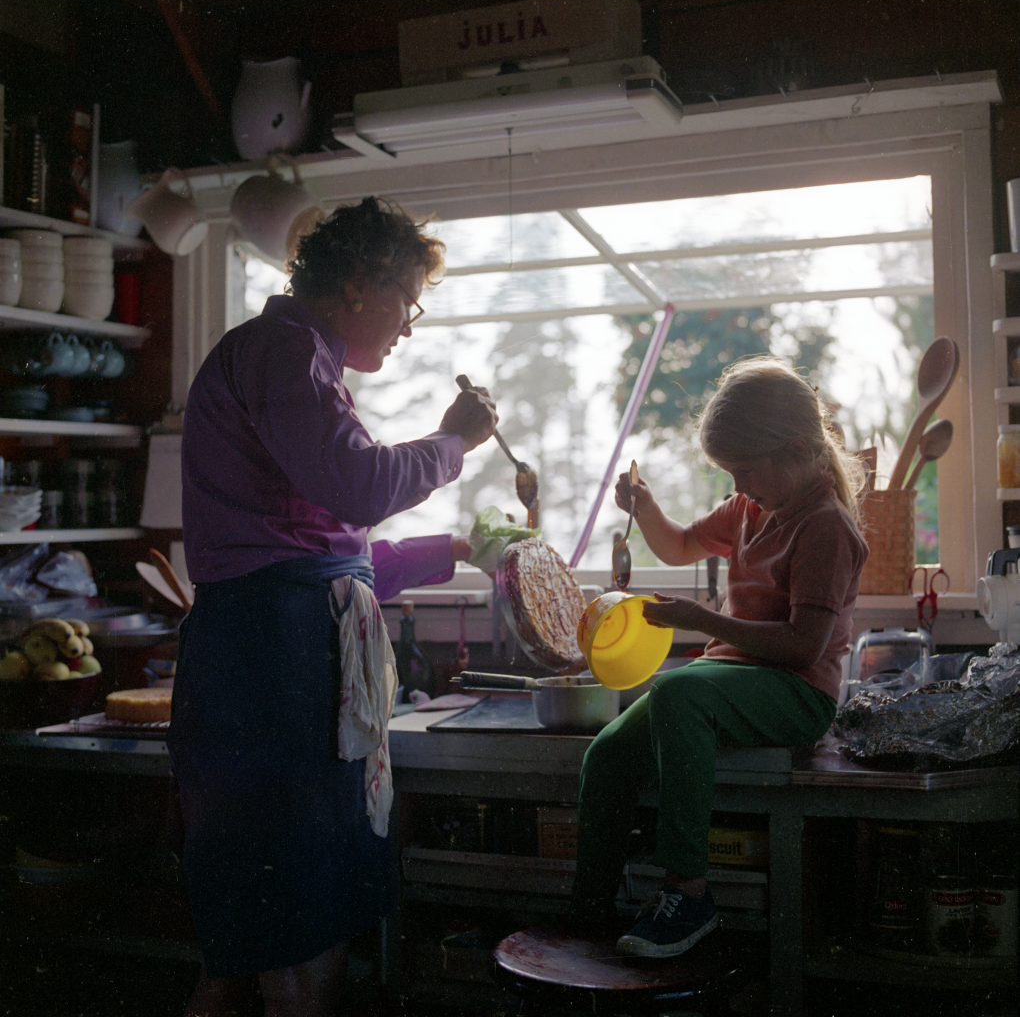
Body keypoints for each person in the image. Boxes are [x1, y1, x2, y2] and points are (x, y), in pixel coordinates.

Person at [166, 197, 497, 1016]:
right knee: (297, 937)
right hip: (271, 668)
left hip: (270, 652)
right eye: (408, 302)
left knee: (251, 939)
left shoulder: (292, 360)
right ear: (357, 284)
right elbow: (352, 488)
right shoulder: (284, 353)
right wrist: (452, 442)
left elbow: (325, 556)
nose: (409, 326)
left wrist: (449, 550)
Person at [568, 356, 868, 959]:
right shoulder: (751, 510)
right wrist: (646, 505)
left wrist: (703, 620)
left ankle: (690, 893)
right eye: (729, 471)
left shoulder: (825, 526)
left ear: (797, 449)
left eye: (744, 469)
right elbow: (678, 545)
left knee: (680, 689)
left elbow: (804, 646)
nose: (736, 486)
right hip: (727, 678)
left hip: (797, 691)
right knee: (606, 754)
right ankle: (590, 907)